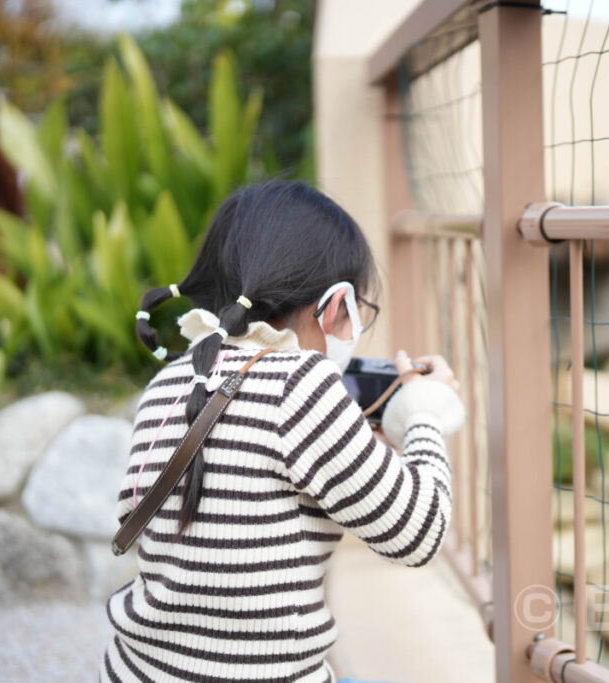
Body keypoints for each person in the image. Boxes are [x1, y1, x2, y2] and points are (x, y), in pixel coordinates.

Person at [99, 181, 464, 682]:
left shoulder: (172, 377)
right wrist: (426, 413)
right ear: (336, 305)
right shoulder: (301, 385)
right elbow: (419, 534)